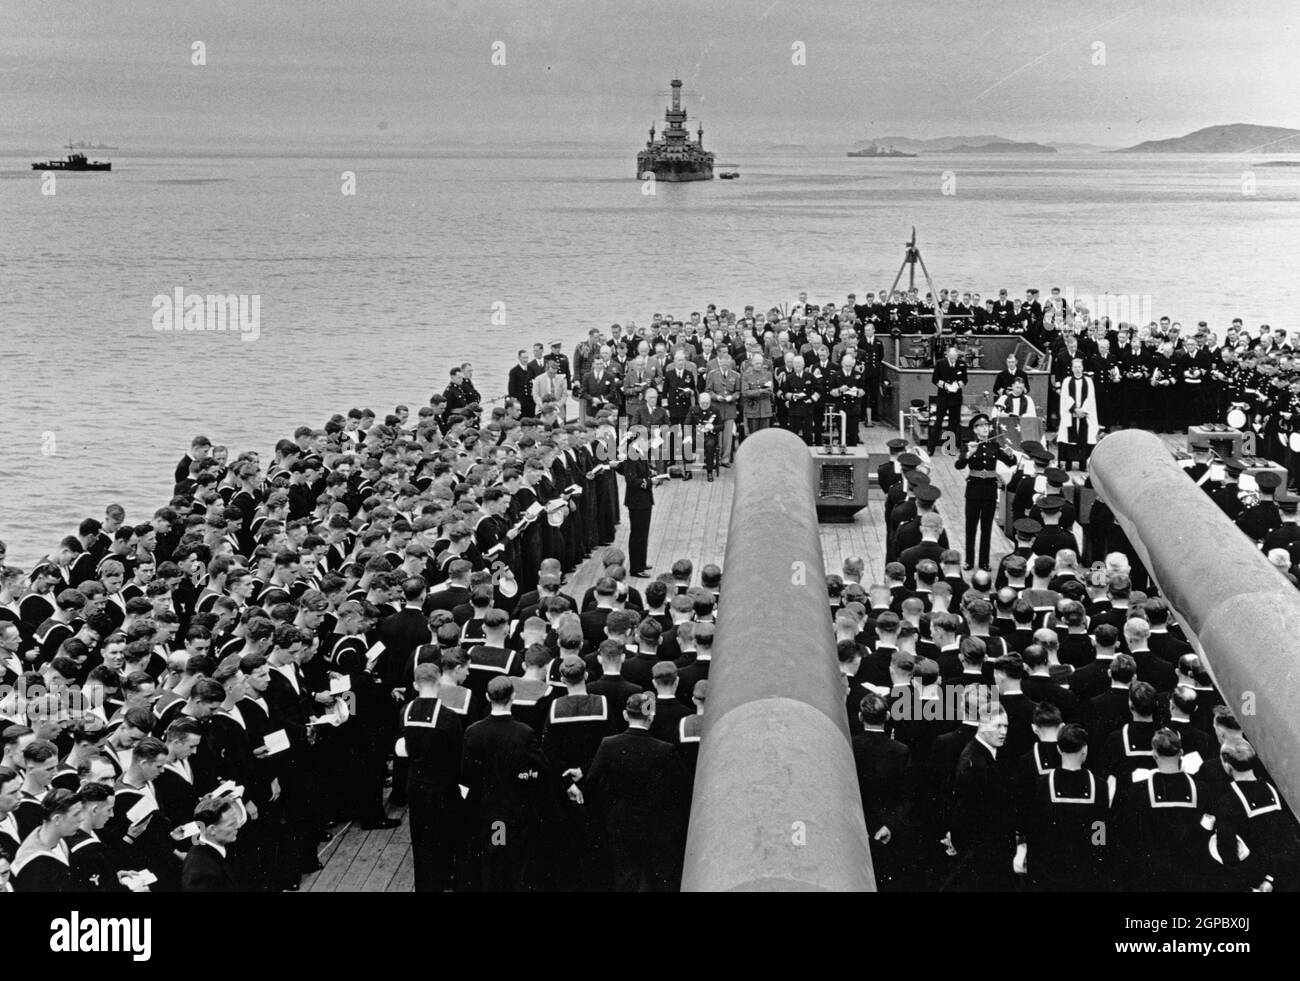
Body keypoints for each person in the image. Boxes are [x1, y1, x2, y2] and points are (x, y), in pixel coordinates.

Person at [581, 692, 685, 891]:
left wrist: (610, 806)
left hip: (620, 821)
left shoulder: (609, 745)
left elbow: (592, 782)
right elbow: (680, 788)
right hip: (657, 825)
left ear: (625, 715)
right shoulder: (665, 750)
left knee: (626, 877)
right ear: (651, 716)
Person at [954, 413, 1017, 572]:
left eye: (986, 426)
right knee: (971, 527)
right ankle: (969, 560)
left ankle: (984, 561)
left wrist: (1010, 454)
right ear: (975, 430)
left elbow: (1010, 462)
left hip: (989, 490)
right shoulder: (968, 445)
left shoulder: (994, 446)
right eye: (980, 426)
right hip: (973, 490)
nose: (984, 429)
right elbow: (959, 465)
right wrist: (968, 453)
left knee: (987, 528)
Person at [615, 431, 657, 577]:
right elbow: (631, 480)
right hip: (637, 501)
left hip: (644, 500)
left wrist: (651, 474)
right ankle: (636, 568)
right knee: (638, 534)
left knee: (643, 533)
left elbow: (641, 473)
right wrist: (651, 482)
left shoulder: (639, 453)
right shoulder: (632, 456)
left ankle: (641, 562)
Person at [181, 795, 241, 892]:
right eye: (231, 824)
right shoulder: (201, 872)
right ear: (212, 830)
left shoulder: (219, 844)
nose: (237, 826)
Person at [1058, 358, 1099, 470]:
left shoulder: (1088, 381)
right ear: (1071, 368)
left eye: (1079, 367)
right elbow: (1065, 398)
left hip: (1084, 415)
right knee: (1068, 438)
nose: (1077, 369)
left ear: (1083, 368)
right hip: (1071, 414)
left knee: (1085, 437)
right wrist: (1075, 410)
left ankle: (1083, 464)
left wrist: (1083, 411)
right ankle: (1068, 464)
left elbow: (1090, 398)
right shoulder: (1066, 381)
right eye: (1075, 367)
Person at [928, 345, 967, 455]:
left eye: (955, 357)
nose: (954, 359)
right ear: (947, 355)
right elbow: (934, 379)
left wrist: (957, 385)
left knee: (954, 423)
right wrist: (945, 385)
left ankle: (951, 447)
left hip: (956, 398)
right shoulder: (940, 364)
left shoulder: (962, 364)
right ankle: (931, 448)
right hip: (943, 397)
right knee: (938, 423)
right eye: (952, 357)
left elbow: (965, 380)